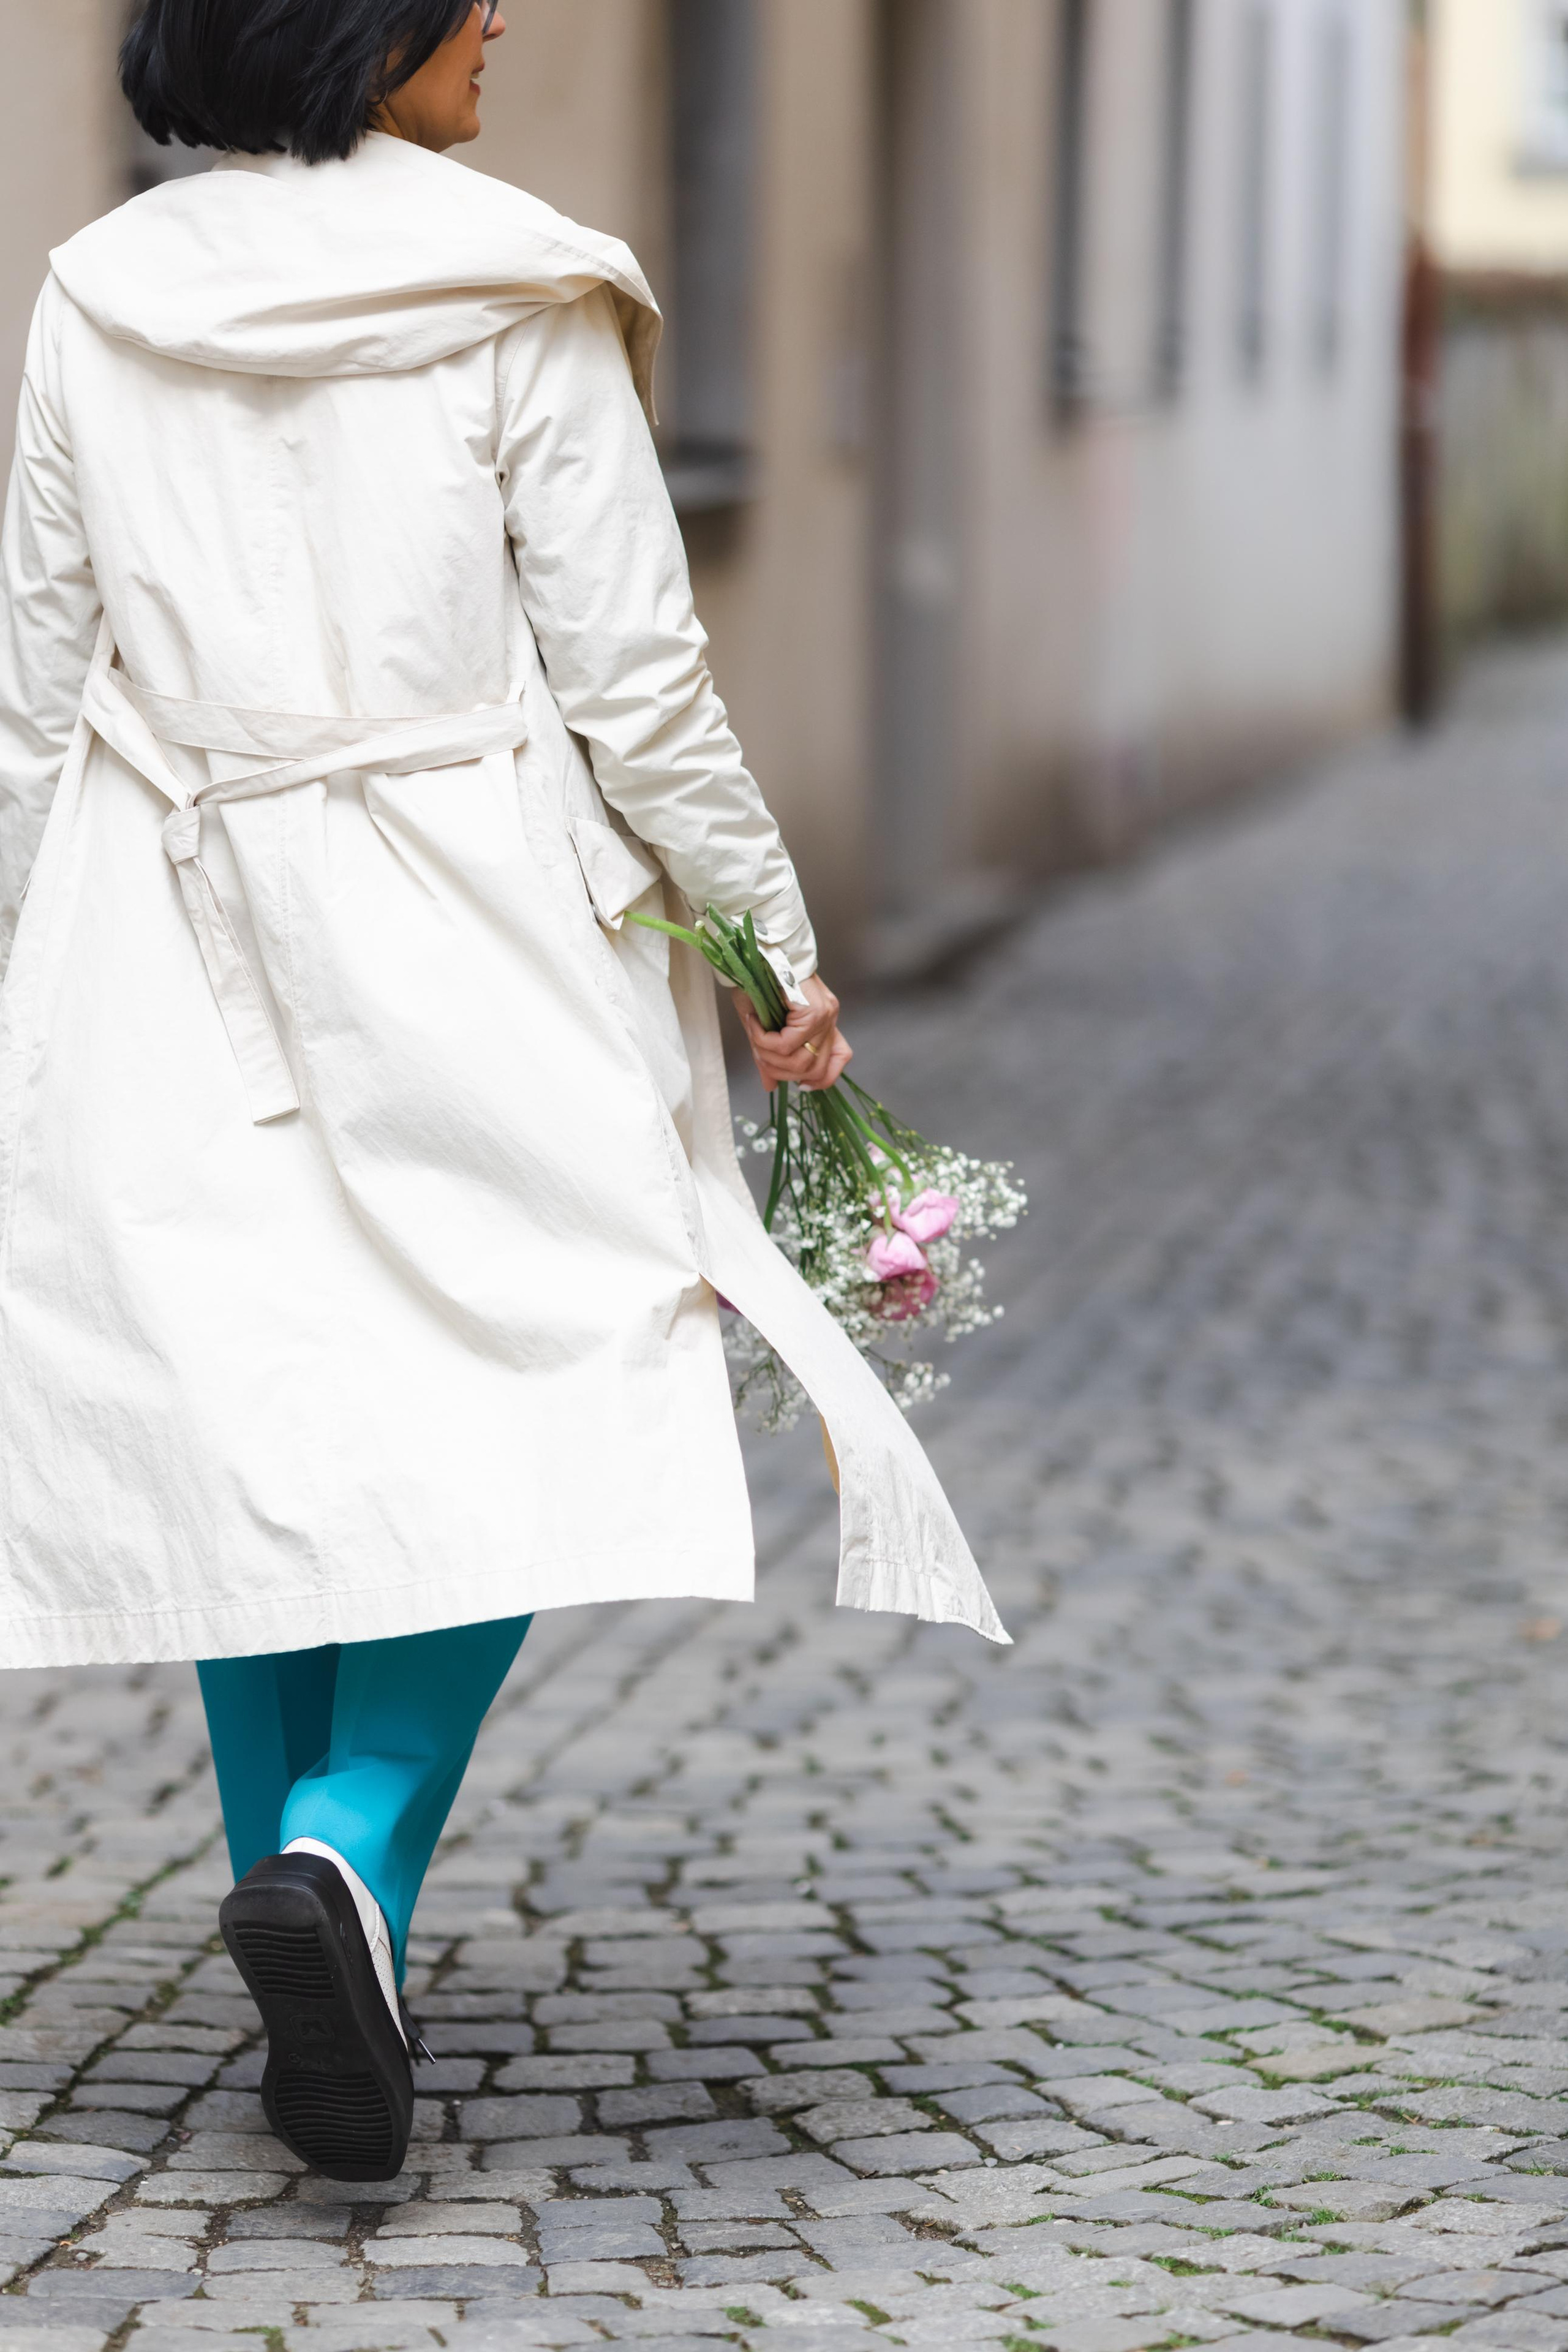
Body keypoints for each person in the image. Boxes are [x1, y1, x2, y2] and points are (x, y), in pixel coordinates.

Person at [0, 0, 1005, 2184]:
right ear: (353, 31)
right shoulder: (511, 287)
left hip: (165, 922)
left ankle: (309, 1909)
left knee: (236, 1415)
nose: (499, 23)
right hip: (470, 919)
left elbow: (30, 689)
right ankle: (346, 1864)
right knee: (518, 1378)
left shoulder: (99, 296)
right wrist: (767, 945)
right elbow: (638, 678)